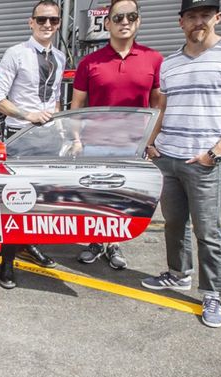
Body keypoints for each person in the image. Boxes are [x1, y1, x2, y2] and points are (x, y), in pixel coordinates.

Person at [141, 0, 221, 328]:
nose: (199, 21)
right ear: (181, 22)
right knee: (174, 224)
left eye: (205, 15)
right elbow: (164, 108)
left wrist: (217, 151)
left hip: (204, 162)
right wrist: (152, 143)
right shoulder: (170, 63)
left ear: (217, 18)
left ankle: (211, 293)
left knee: (208, 232)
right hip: (168, 157)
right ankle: (179, 274)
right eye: (192, 16)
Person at [70, 0, 163, 270]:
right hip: (96, 144)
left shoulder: (154, 59)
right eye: (118, 17)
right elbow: (77, 106)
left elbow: (158, 106)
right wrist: (76, 139)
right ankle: (96, 242)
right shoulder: (89, 62)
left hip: (133, 147)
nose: (125, 22)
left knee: (124, 199)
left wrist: (151, 141)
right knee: (96, 197)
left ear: (138, 21)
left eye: (131, 17)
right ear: (107, 23)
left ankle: (115, 244)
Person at [0, 0, 66, 288]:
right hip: (20, 136)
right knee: (17, 200)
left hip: (48, 138)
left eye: (54, 21)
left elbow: (55, 96)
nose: (48, 25)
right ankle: (7, 262)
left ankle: (30, 244)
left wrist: (58, 124)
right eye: (42, 20)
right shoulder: (15, 54)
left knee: (42, 199)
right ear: (31, 22)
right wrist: (28, 115)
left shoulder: (59, 57)